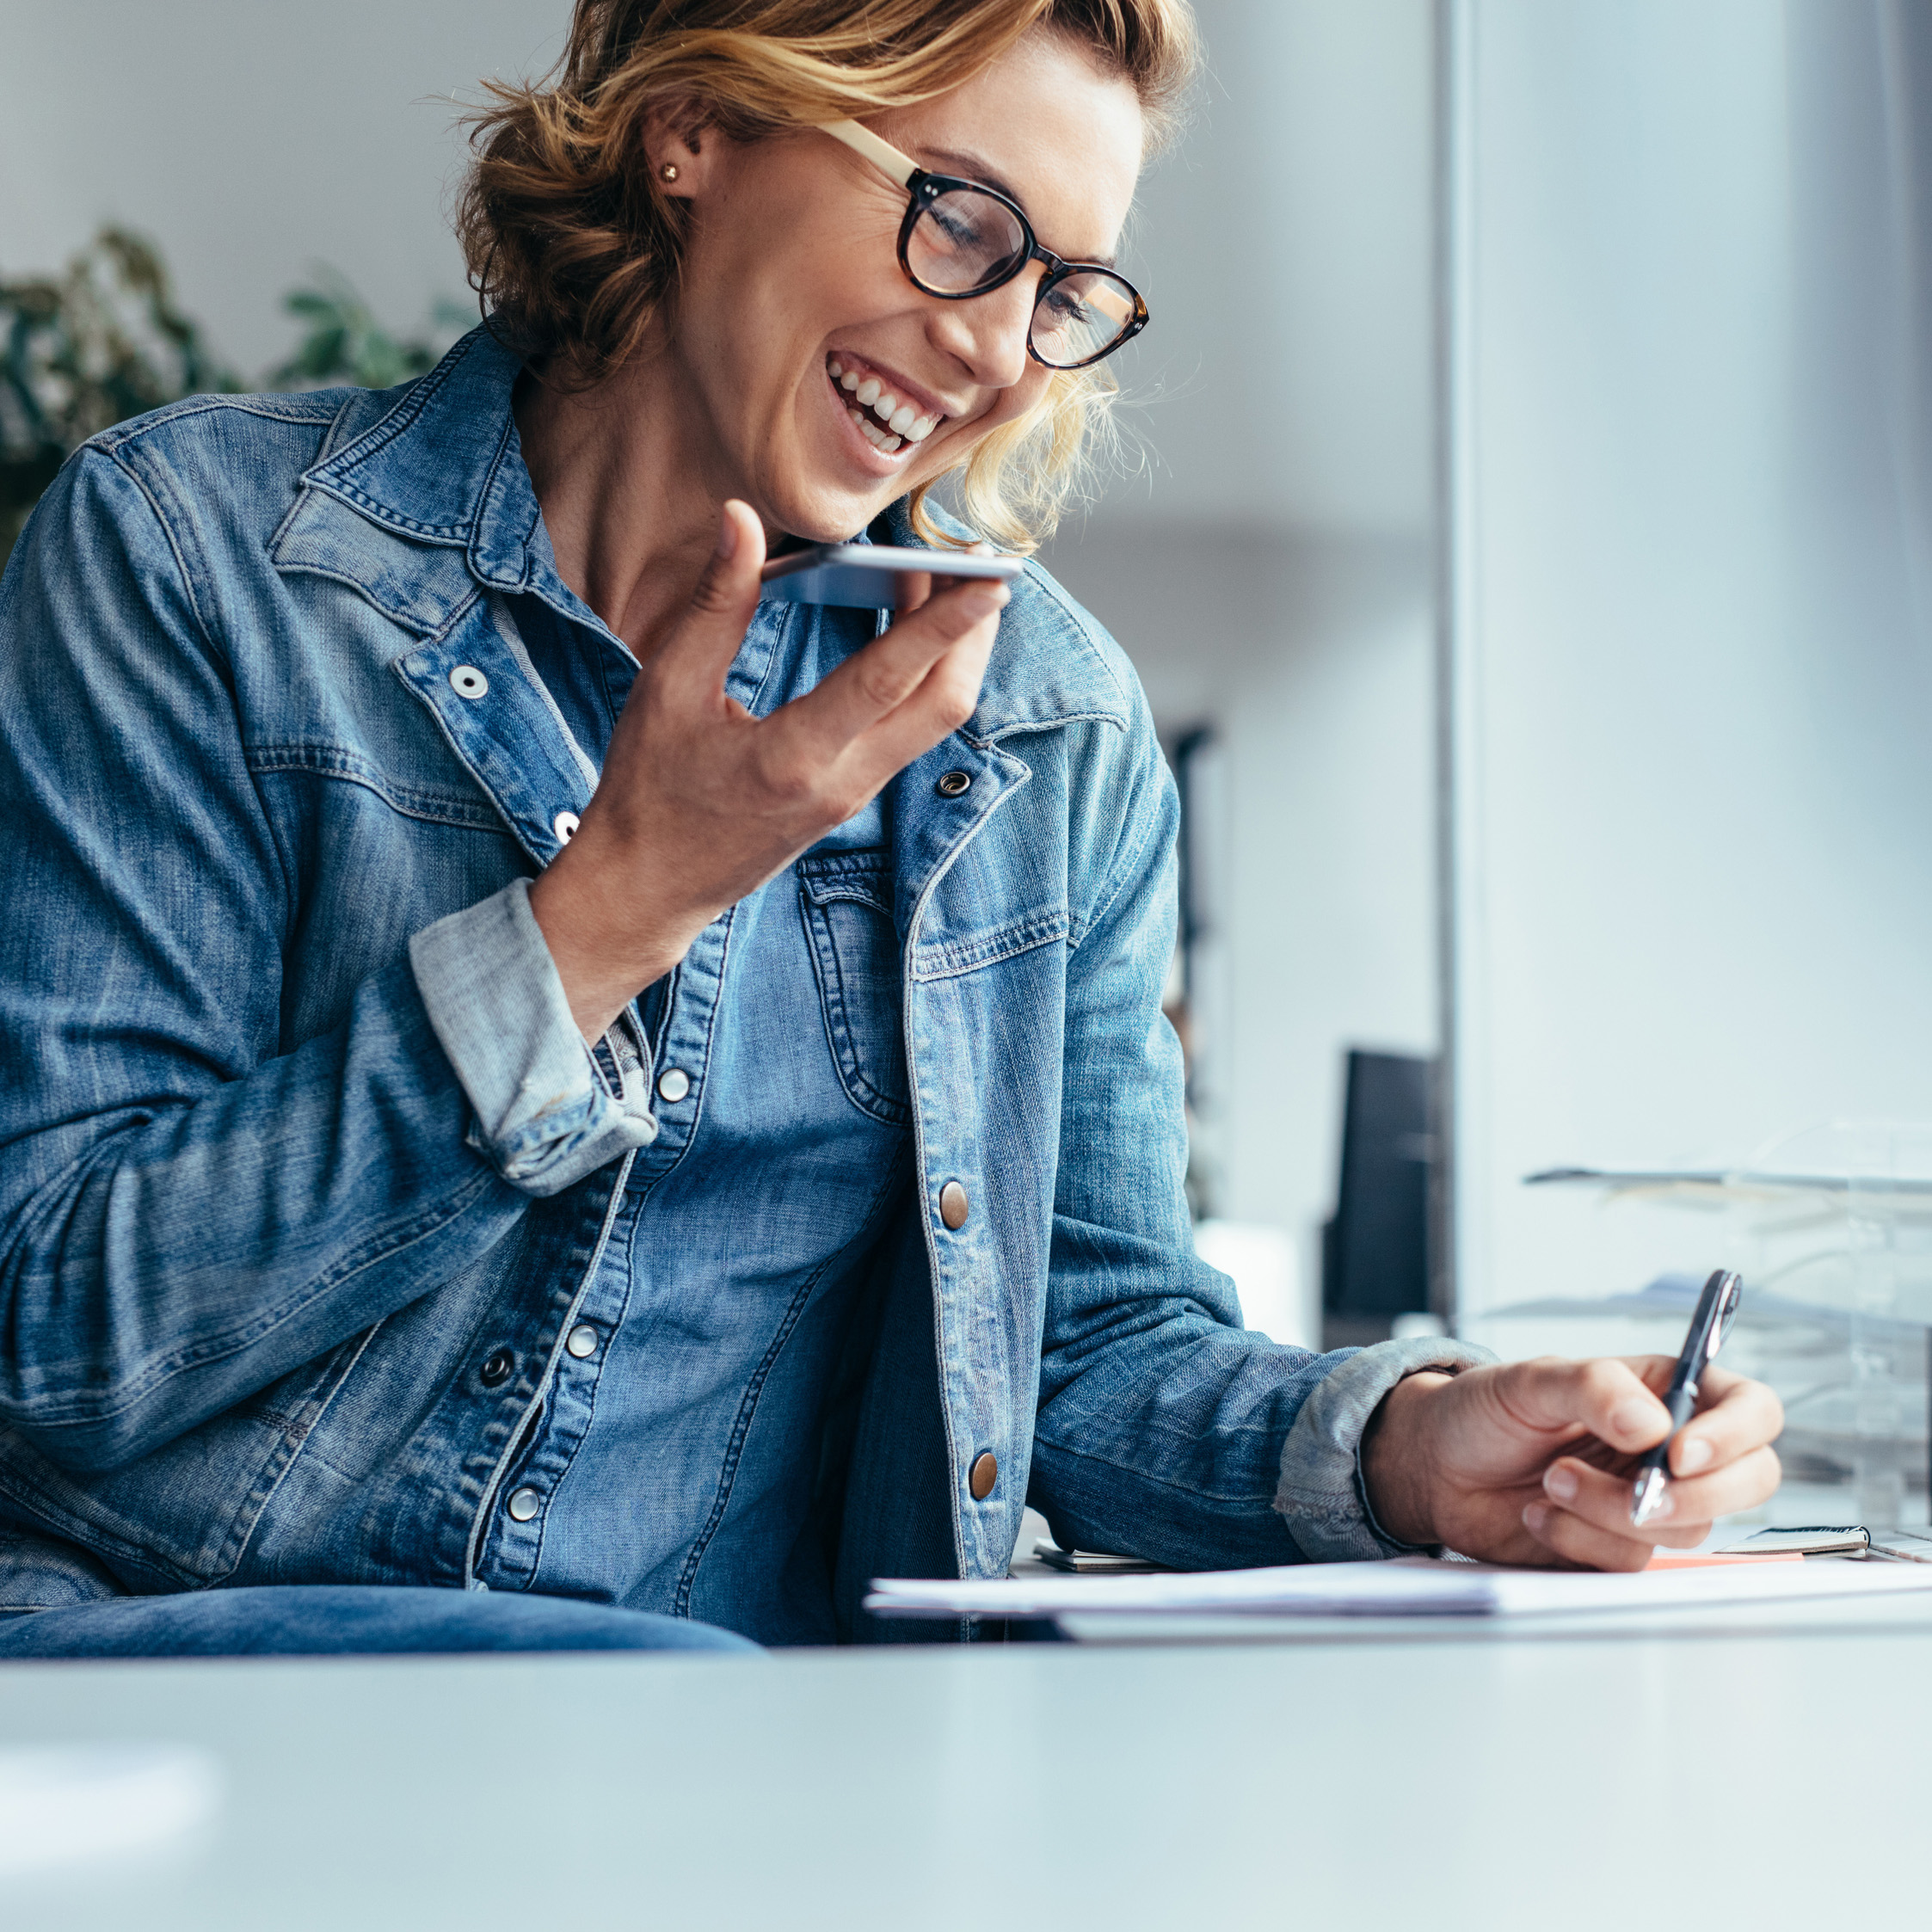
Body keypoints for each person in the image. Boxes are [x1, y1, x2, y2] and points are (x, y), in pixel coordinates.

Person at [0, 0, 1781, 1661]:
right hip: (168, 1691)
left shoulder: (1040, 729)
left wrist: (1407, 1449)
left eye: (1064, 288)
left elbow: (1083, 1357)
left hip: (710, 1786)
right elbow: (52, 1331)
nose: (1003, 348)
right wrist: (606, 912)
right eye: (963, 224)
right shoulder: (201, 560)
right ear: (692, 129)